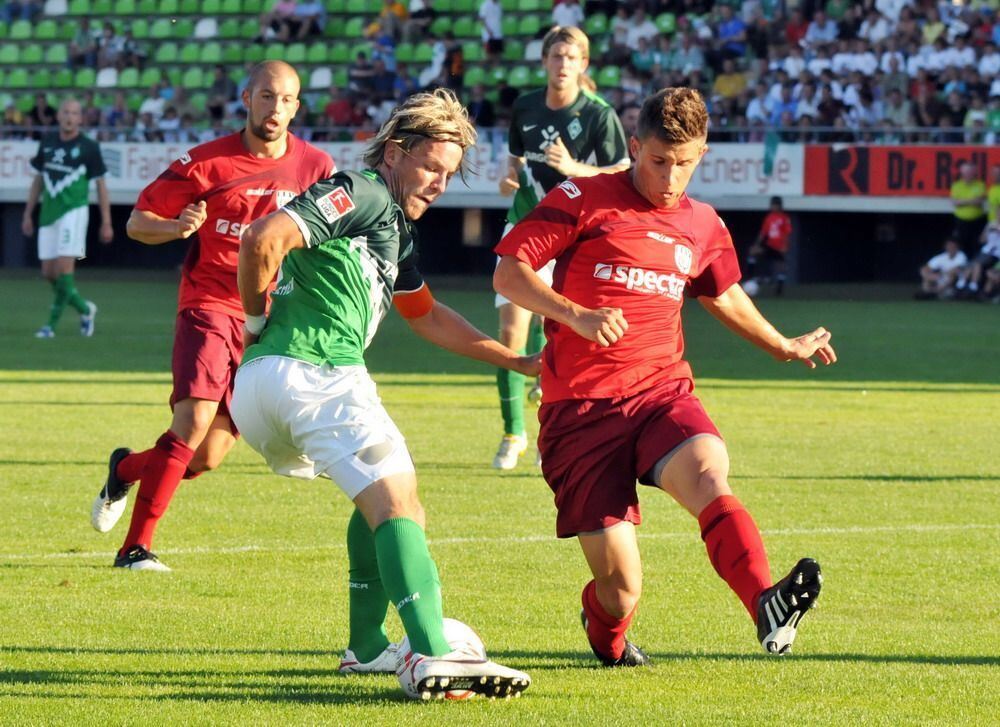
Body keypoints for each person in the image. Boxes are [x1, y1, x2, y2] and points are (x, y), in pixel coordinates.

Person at [494, 88, 835, 667]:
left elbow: (721, 292)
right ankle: (610, 638)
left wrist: (780, 345)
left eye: (686, 162)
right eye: (659, 161)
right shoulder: (582, 197)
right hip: (580, 412)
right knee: (621, 589)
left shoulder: (701, 223)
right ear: (634, 147)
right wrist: (575, 314)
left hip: (660, 394)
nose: (672, 177)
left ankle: (765, 603)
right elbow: (509, 271)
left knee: (709, 474)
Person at [229, 88, 534, 699]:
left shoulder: (393, 230)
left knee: (378, 501)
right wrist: (255, 323)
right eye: (430, 167)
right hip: (314, 373)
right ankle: (433, 653)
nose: (439, 183)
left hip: (265, 390)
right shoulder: (364, 191)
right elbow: (262, 238)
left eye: (449, 175)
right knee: (400, 504)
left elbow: (426, 316)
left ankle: (366, 646)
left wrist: (518, 361)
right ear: (394, 153)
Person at [88, 61, 334, 571]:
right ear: (246, 98)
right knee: (193, 419)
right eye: (266, 96)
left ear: (297, 107)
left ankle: (127, 469)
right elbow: (138, 223)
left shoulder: (316, 168)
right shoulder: (205, 162)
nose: (275, 108)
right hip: (209, 305)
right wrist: (177, 226)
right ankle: (134, 549)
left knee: (205, 455)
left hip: (269, 315)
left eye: (286, 99)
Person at [492, 25, 629, 470]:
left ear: (583, 64)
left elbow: (623, 171)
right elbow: (515, 157)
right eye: (556, 56)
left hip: (573, 236)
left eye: (571, 57)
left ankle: (553, 429)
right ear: (545, 61)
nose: (563, 64)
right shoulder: (526, 105)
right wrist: (508, 176)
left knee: (565, 334)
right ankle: (512, 433)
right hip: (526, 223)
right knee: (510, 334)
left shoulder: (598, 114)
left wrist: (574, 168)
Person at [22, 97, 113, 339]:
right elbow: (38, 179)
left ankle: (49, 326)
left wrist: (106, 221)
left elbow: (101, 185)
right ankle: (85, 310)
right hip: (48, 213)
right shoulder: (48, 142)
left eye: (74, 113)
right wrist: (28, 212)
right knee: (49, 273)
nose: (70, 117)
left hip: (74, 212)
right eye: (66, 112)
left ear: (80, 118)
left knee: (64, 270)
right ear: (59, 116)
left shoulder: (89, 147)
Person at [746, 195, 793, 295]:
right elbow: (763, 233)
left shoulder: (784, 218)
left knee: (781, 266)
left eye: (775, 205)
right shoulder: (769, 217)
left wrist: (785, 245)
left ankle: (779, 289)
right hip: (769, 245)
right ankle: (749, 278)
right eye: (772, 205)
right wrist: (756, 244)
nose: (773, 207)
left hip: (779, 246)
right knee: (753, 251)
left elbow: (787, 233)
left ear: (779, 206)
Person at [950, 161, 986, 256]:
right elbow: (955, 202)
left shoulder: (980, 185)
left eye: (970, 172)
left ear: (974, 172)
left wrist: (963, 201)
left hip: (977, 221)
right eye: (966, 172)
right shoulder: (957, 185)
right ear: (961, 172)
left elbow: (979, 201)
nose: (968, 174)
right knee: (962, 246)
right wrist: (971, 200)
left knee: (977, 245)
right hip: (961, 222)